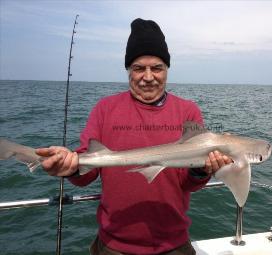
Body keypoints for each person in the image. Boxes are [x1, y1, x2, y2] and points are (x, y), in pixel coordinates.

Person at [36, 18, 232, 255]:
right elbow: (87, 174)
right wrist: (69, 168)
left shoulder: (188, 111)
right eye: (139, 68)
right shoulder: (105, 109)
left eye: (157, 68)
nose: (148, 77)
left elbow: (187, 183)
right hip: (114, 245)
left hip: (174, 244)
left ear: (167, 69)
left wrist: (202, 170)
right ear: (128, 69)